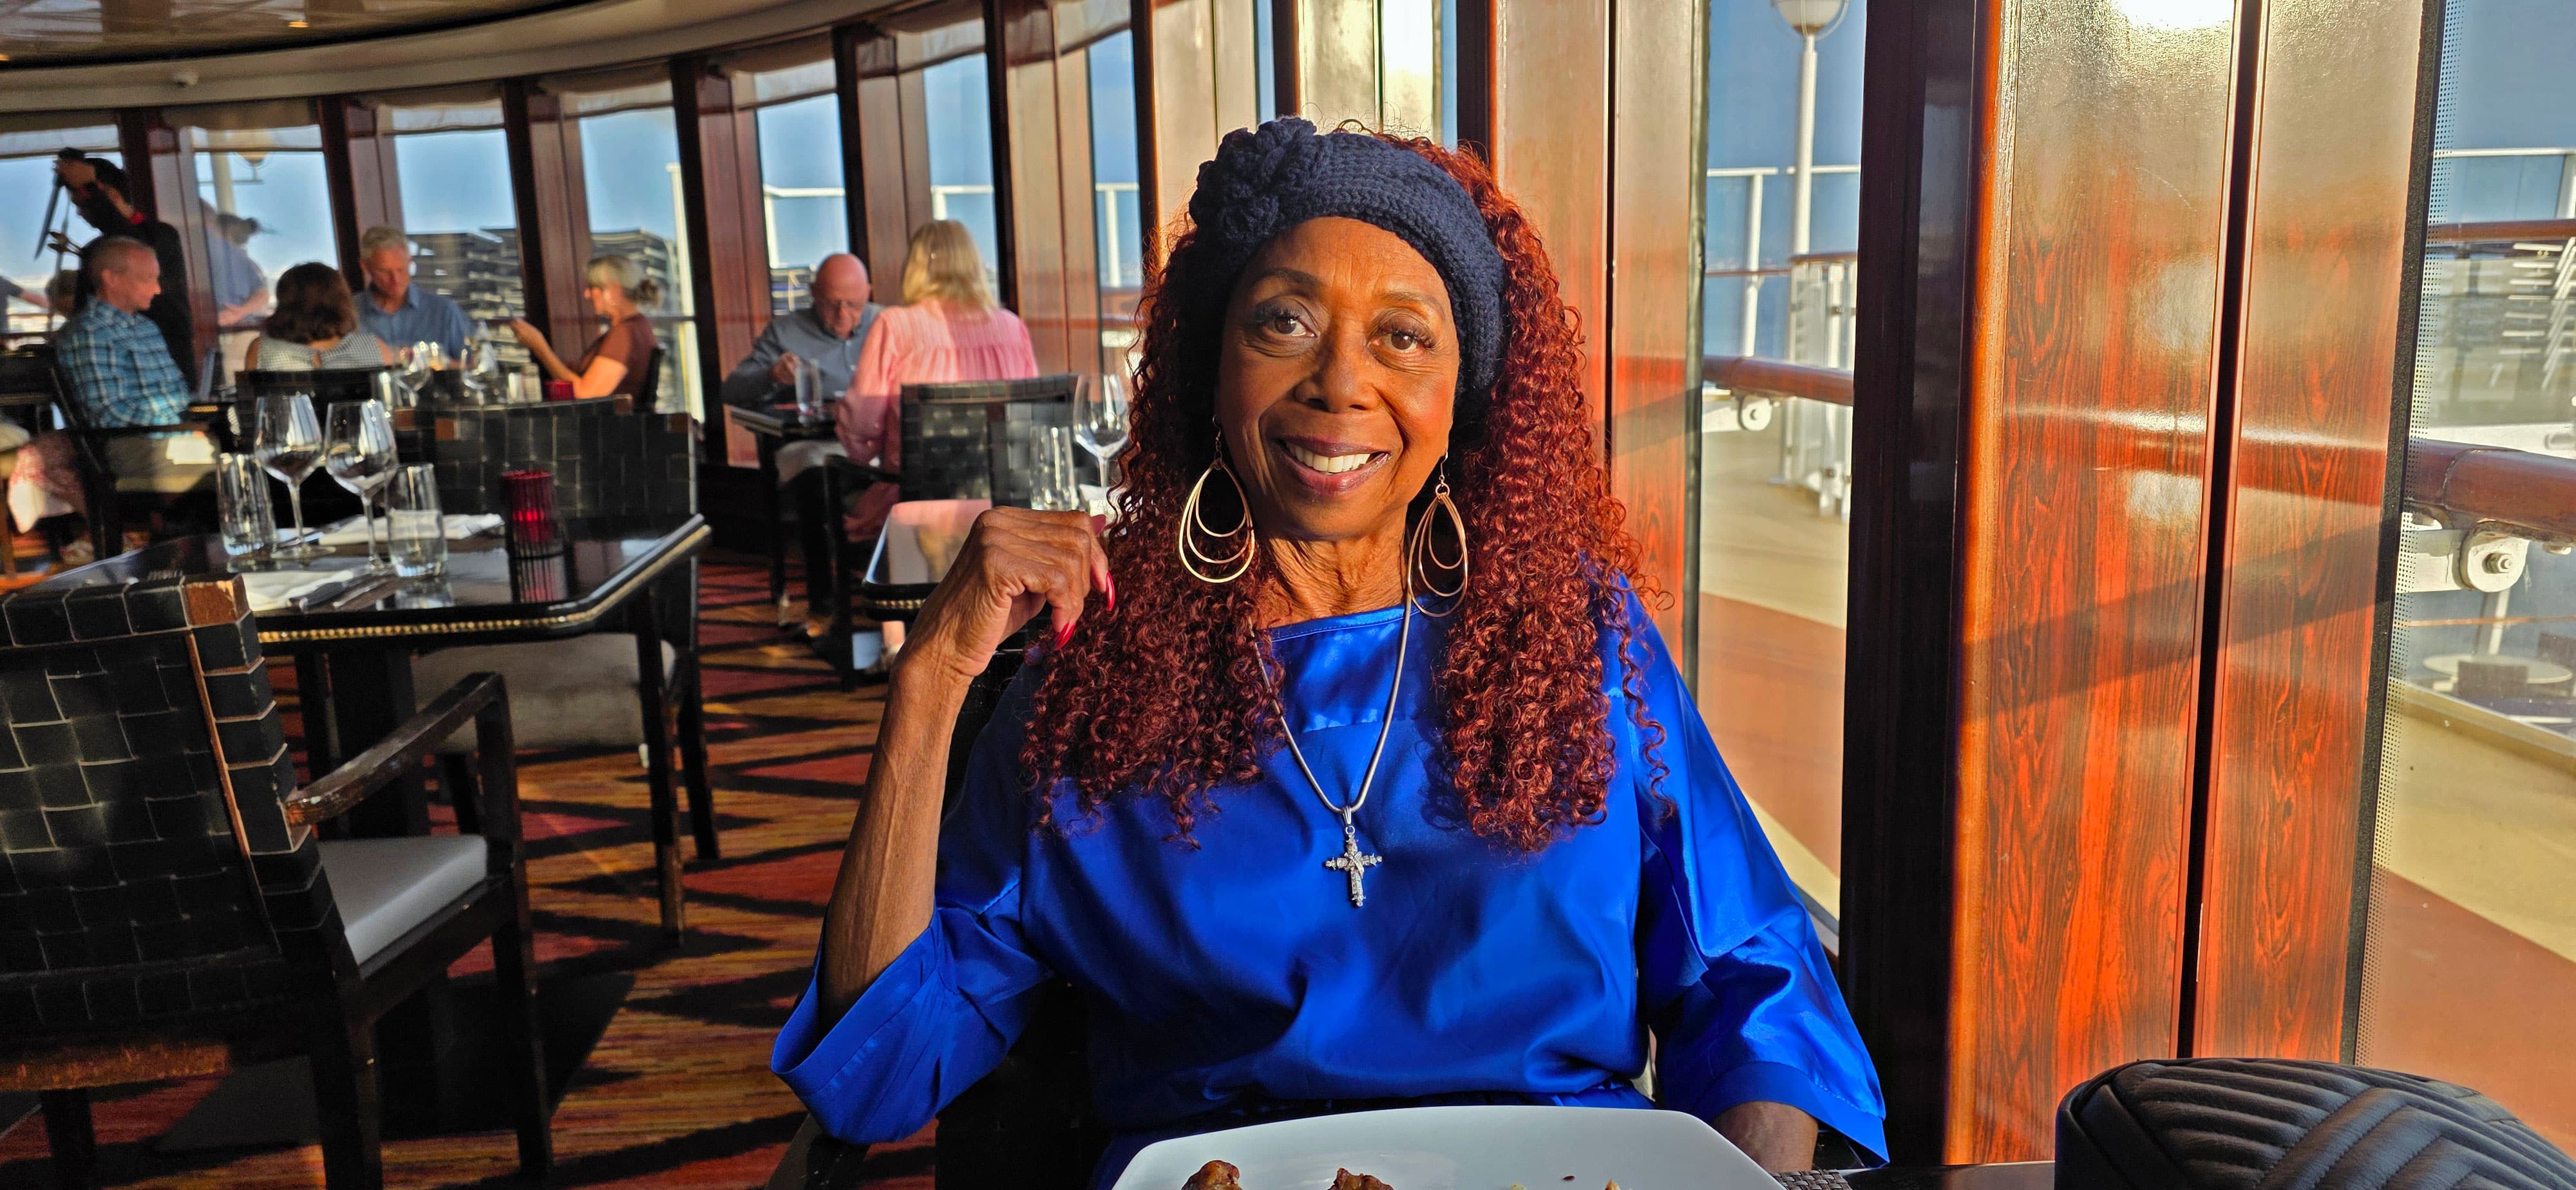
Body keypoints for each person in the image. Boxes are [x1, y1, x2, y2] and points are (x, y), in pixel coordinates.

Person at [773, 120, 1886, 1183]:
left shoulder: (1577, 639)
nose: (1342, 382)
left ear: (1463, 394)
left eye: (1403, 336)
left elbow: (1758, 986)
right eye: (1286, 322)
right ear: (1213, 370)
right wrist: (929, 678)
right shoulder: (1094, 679)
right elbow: (884, 1069)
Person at [831, 220, 1038, 538]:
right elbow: (1031, 421)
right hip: (1007, 506)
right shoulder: (1012, 327)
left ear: (914, 268)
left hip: (918, 506)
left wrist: (854, 434)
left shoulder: (895, 326)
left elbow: (861, 427)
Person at [55, 238, 211, 489]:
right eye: (147, 279)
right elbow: (110, 413)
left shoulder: (146, 327)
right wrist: (183, 430)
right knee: (232, 467)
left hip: (171, 436)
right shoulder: (90, 332)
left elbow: (177, 395)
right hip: (130, 446)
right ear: (111, 279)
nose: (157, 290)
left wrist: (201, 420)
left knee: (248, 452)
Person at [50, 154, 194, 382]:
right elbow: (83, 311)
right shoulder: (94, 251)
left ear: (111, 196)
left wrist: (90, 188)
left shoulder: (162, 236)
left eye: (82, 205)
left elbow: (135, 249)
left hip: (167, 364)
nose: (80, 213)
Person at [720, 253, 882, 410]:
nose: (842, 314)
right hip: (814, 426)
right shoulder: (785, 332)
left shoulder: (885, 323)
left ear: (868, 293)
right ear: (813, 292)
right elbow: (731, 391)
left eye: (853, 305)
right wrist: (773, 376)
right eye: (831, 304)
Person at [506, 255, 661, 402]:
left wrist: (540, 347)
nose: (587, 294)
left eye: (592, 287)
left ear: (614, 291)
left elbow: (586, 394)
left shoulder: (625, 333)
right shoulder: (639, 326)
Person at [246, 262, 399, 371]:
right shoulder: (376, 350)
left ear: (284, 306)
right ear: (342, 303)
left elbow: (253, 405)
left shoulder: (261, 350)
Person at [354, 225, 472, 359]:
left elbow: (474, 364)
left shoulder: (444, 311)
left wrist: (436, 364)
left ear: (410, 262)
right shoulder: (349, 315)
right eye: (384, 271)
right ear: (365, 266)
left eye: (401, 269)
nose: (395, 279)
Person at [207, 213, 271, 328]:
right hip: (235, 327)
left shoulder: (209, 246)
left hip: (213, 326)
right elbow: (263, 295)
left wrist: (239, 312)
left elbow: (263, 295)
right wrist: (241, 312)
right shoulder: (250, 264)